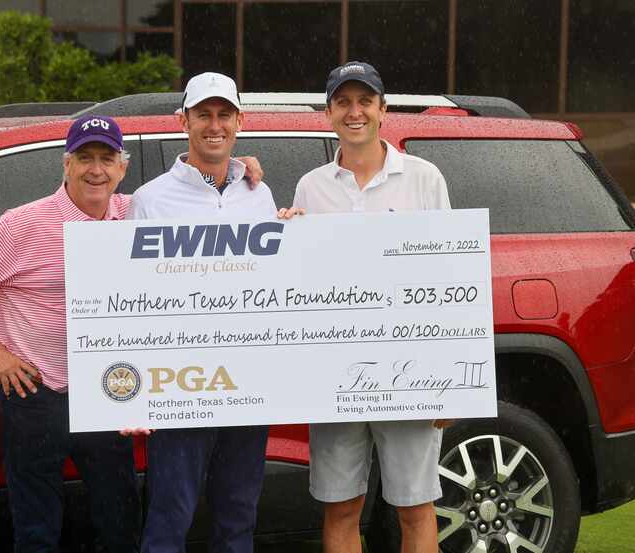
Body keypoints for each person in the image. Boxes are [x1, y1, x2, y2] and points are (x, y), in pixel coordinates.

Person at [0, 115, 142, 553]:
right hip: (37, 393)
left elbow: (205, 219)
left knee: (119, 524)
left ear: (123, 167)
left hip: (107, 393)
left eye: (107, 159)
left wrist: (242, 171)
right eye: (85, 158)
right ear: (66, 164)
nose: (96, 170)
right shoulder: (25, 224)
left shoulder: (137, 215)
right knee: (37, 529)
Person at [125, 72, 299, 553]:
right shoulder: (151, 199)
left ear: (240, 122)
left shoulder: (257, 193)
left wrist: (295, 233)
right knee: (169, 516)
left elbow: (276, 284)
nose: (214, 125)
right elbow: (132, 299)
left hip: (248, 384)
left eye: (224, 114)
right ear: (183, 121)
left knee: (238, 516)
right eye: (204, 114)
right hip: (181, 383)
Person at [293, 62, 452, 553]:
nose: (354, 111)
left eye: (365, 101)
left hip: (411, 372)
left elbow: (449, 281)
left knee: (415, 507)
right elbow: (297, 287)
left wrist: (448, 383)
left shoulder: (424, 179)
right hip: (335, 374)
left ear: (384, 110)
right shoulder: (310, 188)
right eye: (343, 102)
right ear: (328, 113)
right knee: (341, 507)